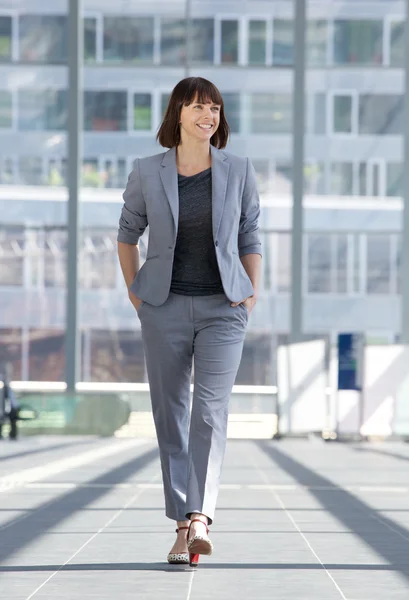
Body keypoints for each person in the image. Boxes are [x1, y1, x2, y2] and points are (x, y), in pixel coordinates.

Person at [117, 77, 262, 567]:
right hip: (164, 307)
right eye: (200, 106)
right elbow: (127, 233)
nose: (209, 115)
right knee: (171, 417)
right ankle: (181, 527)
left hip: (225, 308)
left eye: (215, 108)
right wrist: (137, 295)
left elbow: (250, 234)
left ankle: (199, 516)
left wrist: (250, 294)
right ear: (178, 113)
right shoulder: (147, 170)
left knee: (209, 413)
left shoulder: (238, 170)